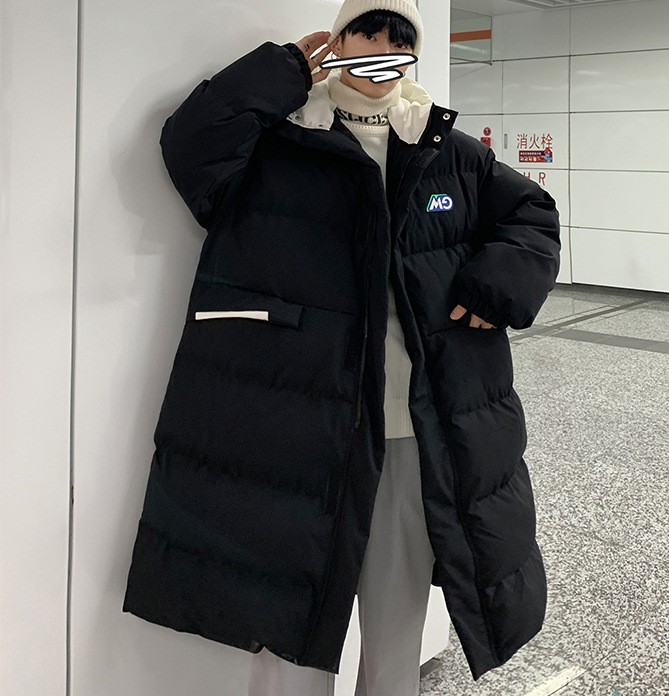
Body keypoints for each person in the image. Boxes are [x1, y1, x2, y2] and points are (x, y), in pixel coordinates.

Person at [122, 0, 561, 693]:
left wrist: (496, 286)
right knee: (287, 622)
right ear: (340, 39)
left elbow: (532, 214)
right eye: (367, 33)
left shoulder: (447, 148)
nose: (380, 51)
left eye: (398, 39)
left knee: (396, 621)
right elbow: (190, 145)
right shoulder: (281, 139)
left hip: (410, 429)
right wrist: (282, 71)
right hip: (297, 426)